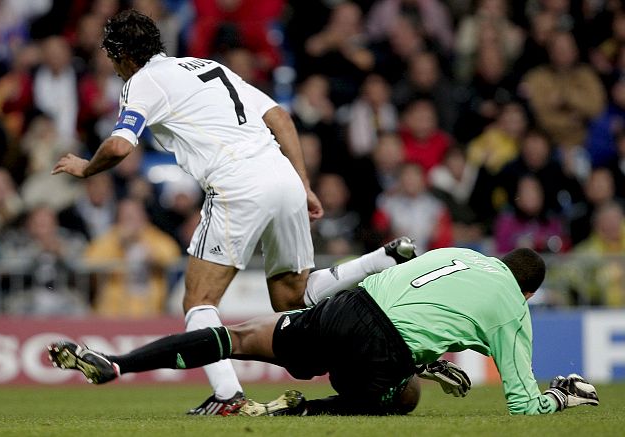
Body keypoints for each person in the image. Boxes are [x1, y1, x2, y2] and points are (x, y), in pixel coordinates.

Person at [51, 10, 416, 415]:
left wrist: (86, 168)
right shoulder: (207, 66)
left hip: (237, 183)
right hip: (282, 176)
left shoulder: (141, 82)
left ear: (122, 55)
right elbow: (279, 116)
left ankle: (227, 396)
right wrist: (303, 183)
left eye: (112, 57)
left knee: (199, 301)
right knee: (291, 297)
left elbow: (121, 145)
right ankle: (380, 259)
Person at [48, 247, 600, 416]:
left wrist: (424, 356)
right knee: (402, 397)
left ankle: (118, 364)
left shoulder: (461, 254)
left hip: (347, 308)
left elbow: (417, 303)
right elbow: (523, 405)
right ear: (529, 293)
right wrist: (559, 396)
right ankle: (293, 412)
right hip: (380, 350)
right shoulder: (513, 307)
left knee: (240, 337)